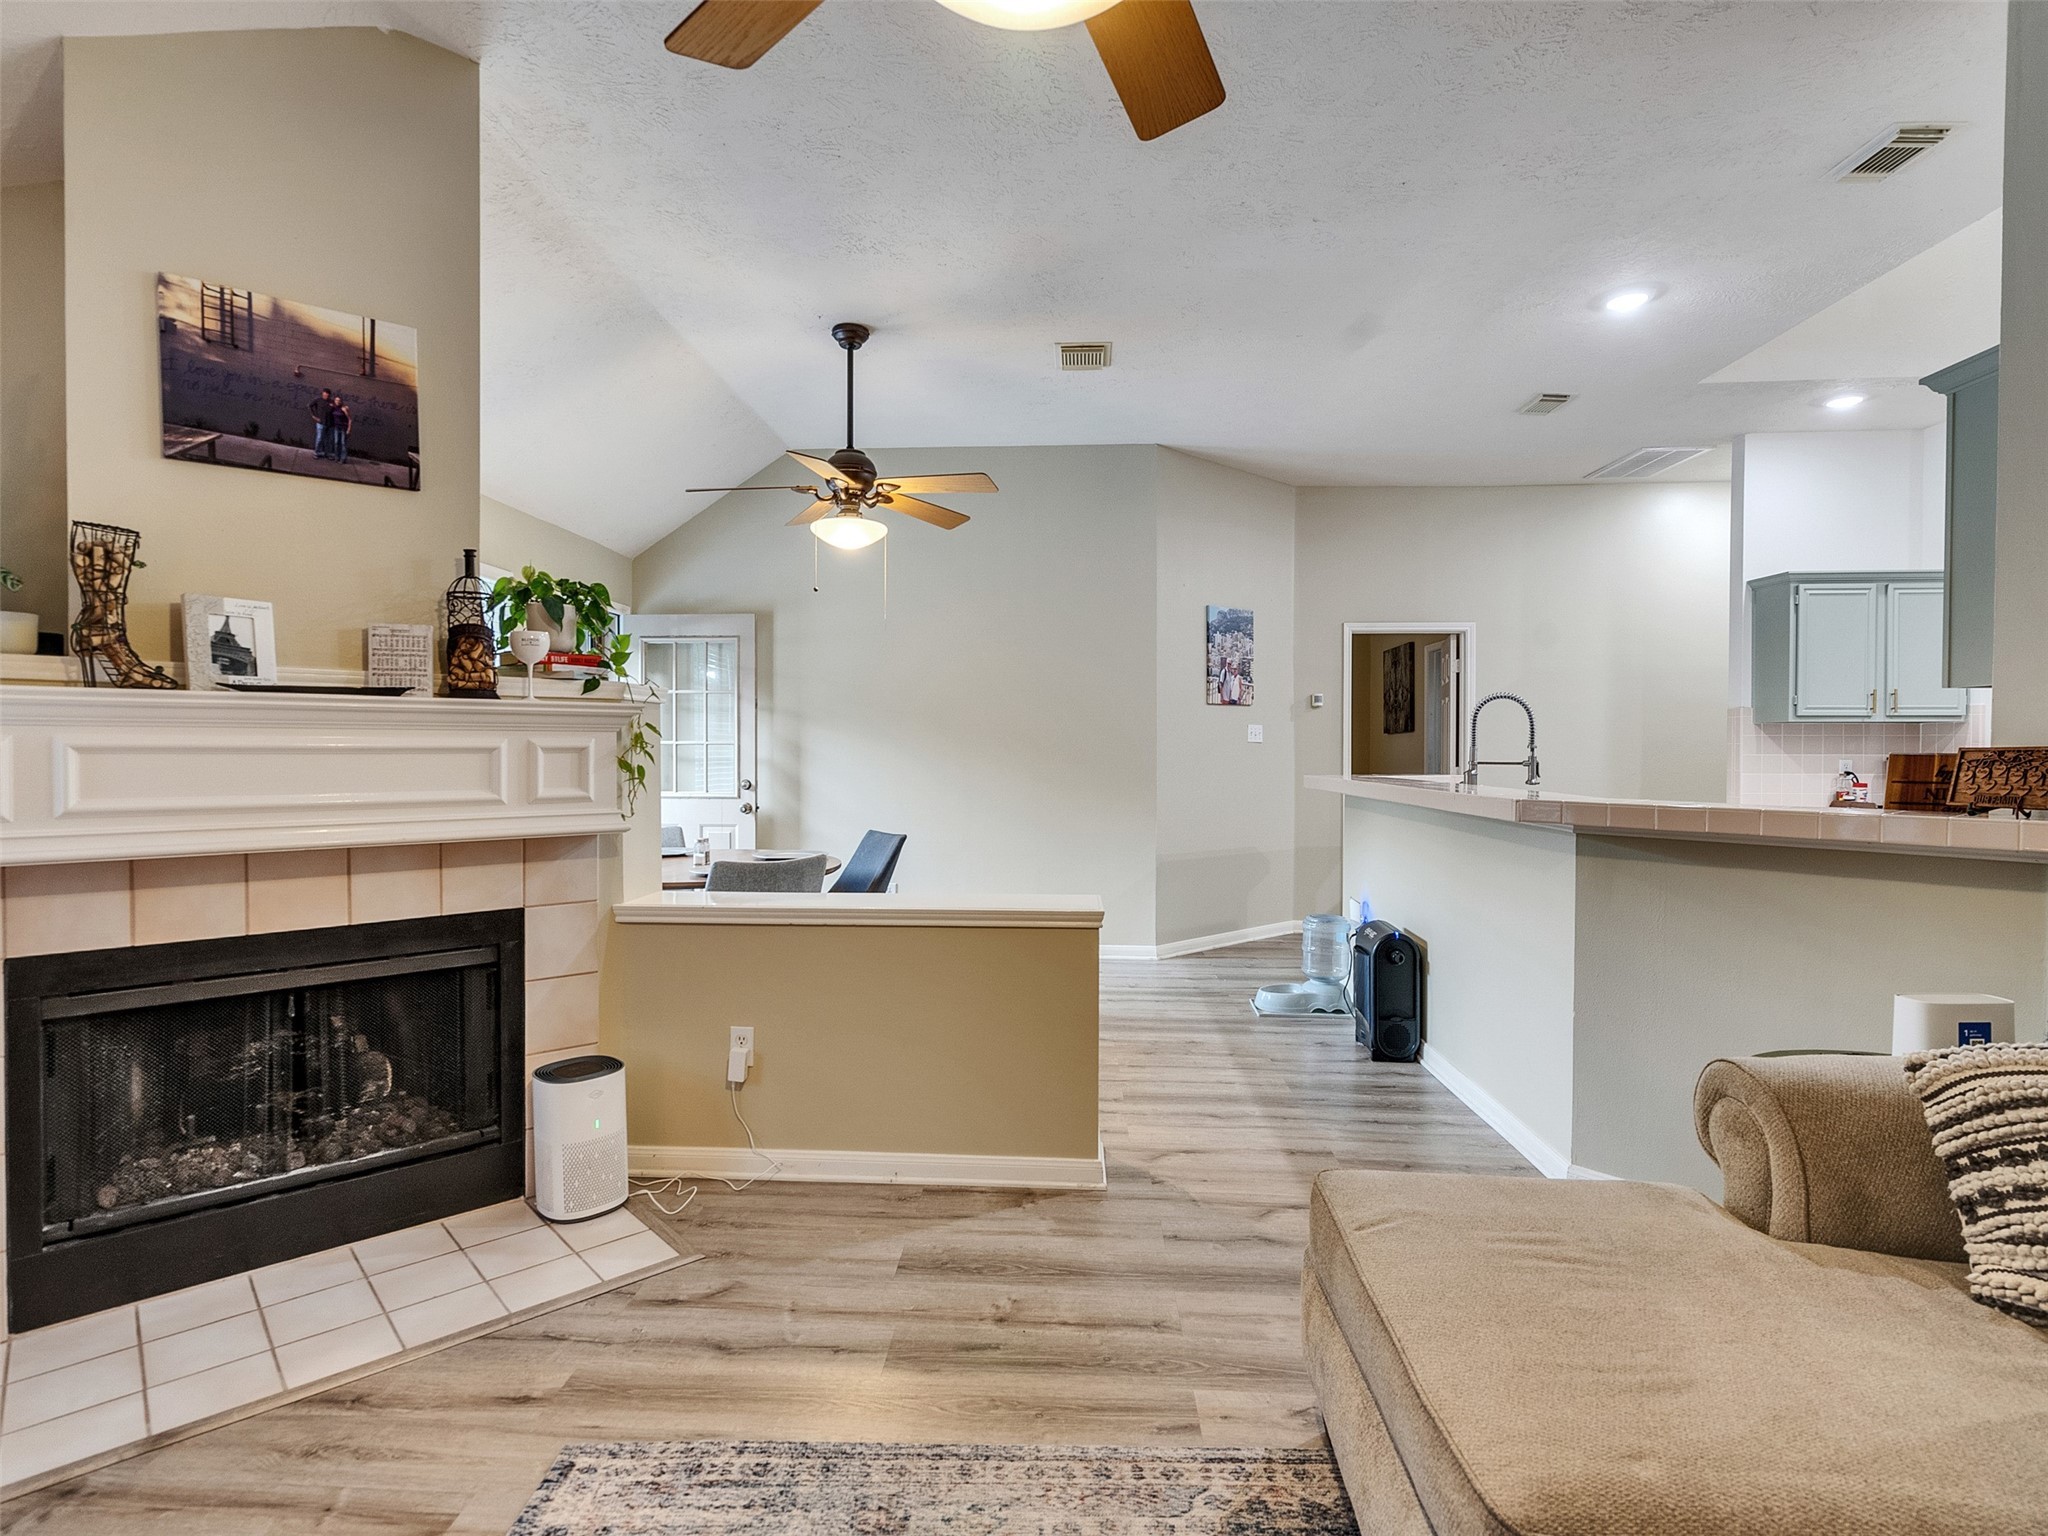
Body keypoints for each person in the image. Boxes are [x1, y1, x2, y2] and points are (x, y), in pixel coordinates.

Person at [309, 389, 333, 458]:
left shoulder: (331, 402)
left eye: (327, 395)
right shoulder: (318, 400)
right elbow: (309, 405)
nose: (326, 396)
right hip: (320, 423)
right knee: (319, 438)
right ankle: (316, 453)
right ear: (322, 394)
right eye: (325, 395)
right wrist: (313, 416)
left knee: (327, 440)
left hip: (329, 423)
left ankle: (326, 453)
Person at [329, 395, 352, 465]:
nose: (337, 402)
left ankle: (343, 458)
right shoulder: (334, 408)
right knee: (336, 443)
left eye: (339, 400)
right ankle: (337, 457)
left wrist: (349, 429)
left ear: (341, 401)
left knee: (343, 443)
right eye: (336, 400)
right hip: (336, 427)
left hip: (343, 428)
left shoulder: (344, 408)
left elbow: (350, 419)